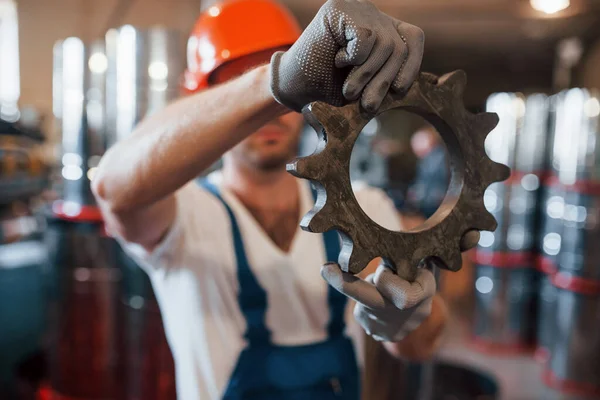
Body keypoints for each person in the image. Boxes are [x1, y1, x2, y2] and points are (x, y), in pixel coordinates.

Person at [92, 0, 463, 398]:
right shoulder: (181, 215)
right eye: (244, 84)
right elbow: (113, 187)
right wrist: (275, 82)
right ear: (211, 100)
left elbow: (420, 347)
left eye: (291, 92)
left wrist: (406, 320)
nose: (272, 113)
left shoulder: (364, 207)